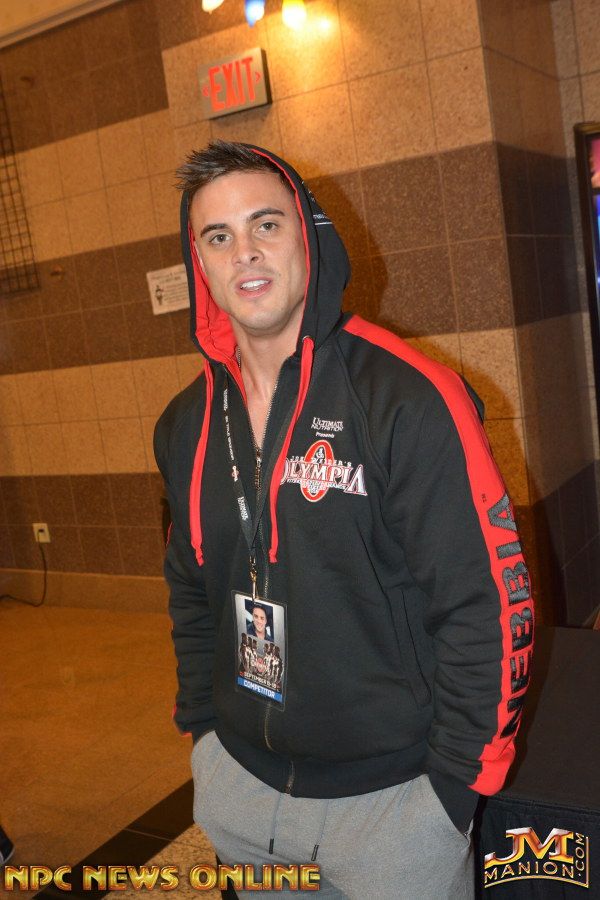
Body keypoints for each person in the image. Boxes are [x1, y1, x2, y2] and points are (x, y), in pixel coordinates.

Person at [154, 141, 534, 898]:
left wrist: (453, 792)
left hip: (393, 808)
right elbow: (191, 590)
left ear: (309, 235)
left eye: (266, 224)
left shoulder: (409, 398)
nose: (244, 252)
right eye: (218, 236)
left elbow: (488, 603)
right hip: (241, 792)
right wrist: (205, 737)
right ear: (200, 264)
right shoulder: (185, 423)